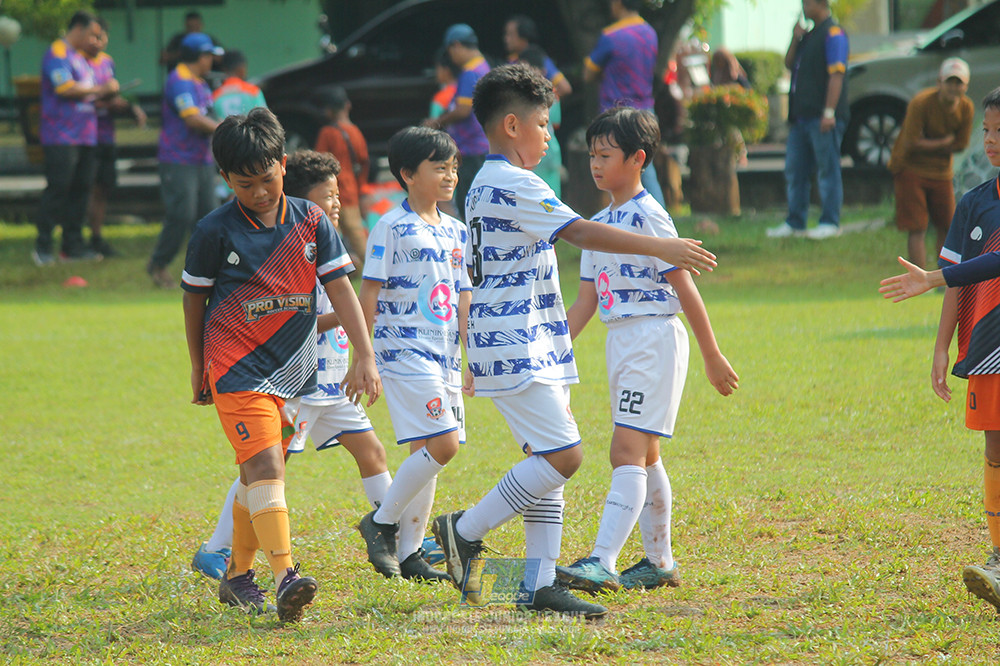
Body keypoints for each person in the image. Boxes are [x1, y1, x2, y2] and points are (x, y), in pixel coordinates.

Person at [427, 64, 717, 619]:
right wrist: (662, 248)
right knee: (565, 455)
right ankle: (462, 532)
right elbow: (580, 230)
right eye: (544, 125)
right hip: (515, 339)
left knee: (546, 455)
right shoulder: (513, 181)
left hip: (532, 338)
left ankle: (538, 585)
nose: (549, 136)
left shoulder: (490, 182)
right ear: (513, 125)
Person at [191, 149, 447, 582]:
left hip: (334, 384)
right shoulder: (286, 249)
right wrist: (360, 315)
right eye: (327, 196)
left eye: (337, 195)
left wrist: (362, 335)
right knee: (265, 469)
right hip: (298, 387)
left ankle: (399, 535)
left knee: (372, 453)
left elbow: (343, 300)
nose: (335, 205)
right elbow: (294, 318)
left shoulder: (323, 241)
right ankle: (217, 549)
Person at [182, 108, 381, 622]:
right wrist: (198, 365)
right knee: (269, 466)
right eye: (245, 184)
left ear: (284, 165)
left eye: (268, 180)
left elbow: (340, 286)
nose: (261, 192)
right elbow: (194, 302)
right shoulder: (213, 231)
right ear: (225, 179)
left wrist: (364, 354)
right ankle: (285, 576)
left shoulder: (310, 221)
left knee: (256, 475)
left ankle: (237, 577)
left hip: (294, 370)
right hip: (234, 367)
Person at [556, 106, 738, 594]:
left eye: (606, 154)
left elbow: (685, 288)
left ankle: (602, 560)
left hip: (654, 338)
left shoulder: (650, 216)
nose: (595, 164)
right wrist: (552, 348)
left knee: (625, 451)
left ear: (637, 159)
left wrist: (712, 354)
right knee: (647, 453)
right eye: (591, 154)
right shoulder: (597, 225)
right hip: (622, 341)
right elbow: (585, 301)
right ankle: (659, 562)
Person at [879, 87, 1000, 613]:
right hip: (989, 348)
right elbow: (958, 282)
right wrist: (940, 347)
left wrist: (932, 274)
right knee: (996, 448)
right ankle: (998, 557)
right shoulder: (974, 202)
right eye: (989, 131)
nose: (993, 141)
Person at [354, 126, 469, 585]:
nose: (450, 176)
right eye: (439, 167)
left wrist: (472, 355)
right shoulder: (390, 226)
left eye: (454, 167)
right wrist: (363, 357)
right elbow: (368, 294)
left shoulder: (457, 230)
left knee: (427, 449)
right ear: (407, 174)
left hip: (446, 356)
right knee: (446, 444)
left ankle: (410, 551)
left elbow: (463, 297)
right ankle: (381, 521)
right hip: (402, 351)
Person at [34, 10, 118, 266]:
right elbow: (65, 88)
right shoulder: (58, 53)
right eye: (91, 34)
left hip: (87, 134)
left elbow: (89, 94)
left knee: (81, 190)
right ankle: (43, 246)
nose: (94, 40)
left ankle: (73, 246)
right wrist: (101, 89)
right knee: (59, 188)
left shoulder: (81, 59)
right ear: (78, 29)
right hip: (61, 135)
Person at [767, 0, 849, 240]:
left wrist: (829, 112)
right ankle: (795, 221)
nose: (803, 6)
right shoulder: (808, 35)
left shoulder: (833, 34)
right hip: (801, 119)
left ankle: (830, 221)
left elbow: (837, 75)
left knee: (827, 169)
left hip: (822, 118)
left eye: (807, 2)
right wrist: (795, 38)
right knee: (796, 171)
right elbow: (789, 64)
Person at [148, 32, 221, 289]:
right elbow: (192, 118)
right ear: (199, 56)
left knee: (209, 216)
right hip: (178, 159)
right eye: (210, 55)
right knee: (182, 213)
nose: (212, 60)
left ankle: (209, 270)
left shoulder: (199, 82)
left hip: (201, 159)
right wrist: (222, 128)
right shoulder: (179, 80)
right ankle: (158, 265)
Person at [886, 58, 973, 269]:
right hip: (910, 168)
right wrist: (945, 142)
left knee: (948, 225)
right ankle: (919, 277)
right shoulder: (921, 103)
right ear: (939, 82)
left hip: (942, 173)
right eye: (949, 82)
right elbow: (912, 142)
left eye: (958, 83)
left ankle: (945, 277)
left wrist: (930, 143)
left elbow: (961, 144)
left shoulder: (966, 108)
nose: (954, 87)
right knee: (917, 226)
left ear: (965, 86)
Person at [584, 0, 665, 207]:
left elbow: (588, 73)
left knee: (611, 166)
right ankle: (658, 214)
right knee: (645, 168)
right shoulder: (650, 32)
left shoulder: (611, 35)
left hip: (617, 114)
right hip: (646, 110)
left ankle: (619, 218)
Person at [84, 17, 147, 258]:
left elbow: (112, 97)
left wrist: (127, 107)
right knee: (83, 188)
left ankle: (96, 237)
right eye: (93, 36)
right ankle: (74, 240)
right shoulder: (77, 62)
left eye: (101, 37)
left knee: (102, 188)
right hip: (84, 135)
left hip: (105, 135)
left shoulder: (107, 63)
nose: (97, 42)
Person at [425, 24, 489, 220]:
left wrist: (437, 122)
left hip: (470, 148)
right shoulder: (484, 66)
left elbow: (463, 110)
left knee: (468, 204)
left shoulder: (470, 72)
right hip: (482, 144)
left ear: (456, 46)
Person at [314, 86, 370, 270]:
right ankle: (370, 269)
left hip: (331, 192)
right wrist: (360, 188)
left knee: (331, 234)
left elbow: (319, 161)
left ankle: (338, 270)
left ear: (328, 110)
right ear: (347, 105)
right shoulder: (356, 132)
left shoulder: (327, 133)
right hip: (352, 190)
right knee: (357, 234)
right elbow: (364, 163)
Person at [518, 45, 563, 196]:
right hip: (548, 151)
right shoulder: (553, 93)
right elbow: (556, 122)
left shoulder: (521, 97)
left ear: (542, 71)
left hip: (544, 153)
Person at [503, 14, 572, 99]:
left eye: (511, 34)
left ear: (523, 35)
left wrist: (544, 102)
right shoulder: (511, 61)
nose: (506, 39)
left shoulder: (539, 58)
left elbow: (565, 88)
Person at [212, 50, 267, 119]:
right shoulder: (253, 91)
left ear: (224, 69)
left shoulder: (215, 96)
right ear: (241, 68)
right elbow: (264, 119)